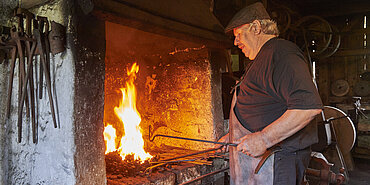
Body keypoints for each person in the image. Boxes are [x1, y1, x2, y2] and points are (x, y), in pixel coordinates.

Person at [217, 2, 323, 185]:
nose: (235, 42)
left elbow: (308, 107)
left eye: (238, 34)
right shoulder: (261, 59)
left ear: (256, 27)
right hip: (261, 160)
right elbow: (264, 106)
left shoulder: (281, 53)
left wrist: (264, 139)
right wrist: (233, 137)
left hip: (276, 160)